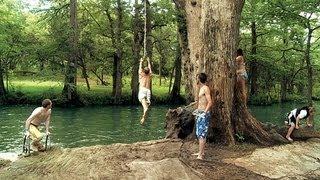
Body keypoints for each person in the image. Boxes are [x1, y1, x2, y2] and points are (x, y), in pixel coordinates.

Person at [192, 73, 213, 160]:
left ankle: (200, 155)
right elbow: (201, 101)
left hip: (203, 114)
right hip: (199, 113)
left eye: (197, 78)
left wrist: (204, 112)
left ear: (199, 79)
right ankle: (201, 152)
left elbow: (210, 102)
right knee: (199, 133)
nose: (196, 80)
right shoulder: (201, 88)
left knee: (201, 134)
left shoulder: (205, 88)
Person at [138, 57, 152, 125]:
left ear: (144, 71)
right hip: (148, 91)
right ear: (148, 71)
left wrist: (141, 61)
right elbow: (150, 68)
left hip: (142, 90)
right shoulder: (149, 75)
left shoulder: (141, 74)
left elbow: (140, 68)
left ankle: (144, 113)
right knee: (146, 105)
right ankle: (144, 116)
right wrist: (148, 61)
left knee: (144, 104)